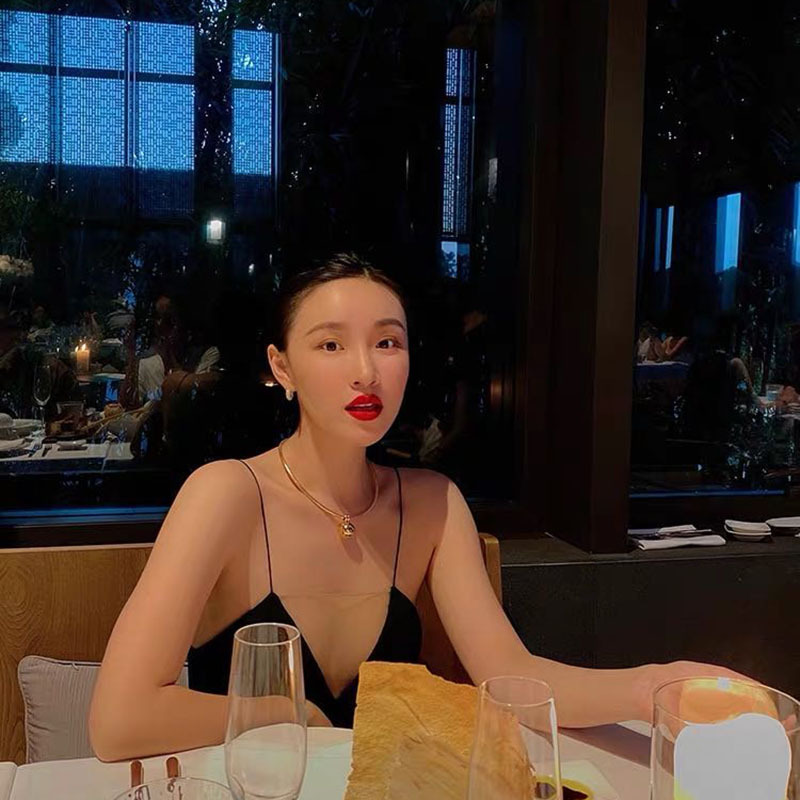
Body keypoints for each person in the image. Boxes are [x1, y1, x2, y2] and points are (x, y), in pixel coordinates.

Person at [90, 253, 748, 761]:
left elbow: (511, 676)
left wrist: (653, 687)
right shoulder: (227, 494)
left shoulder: (432, 504)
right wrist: (289, 715)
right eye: (330, 345)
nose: (366, 371)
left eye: (387, 342)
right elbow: (118, 720)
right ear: (282, 368)